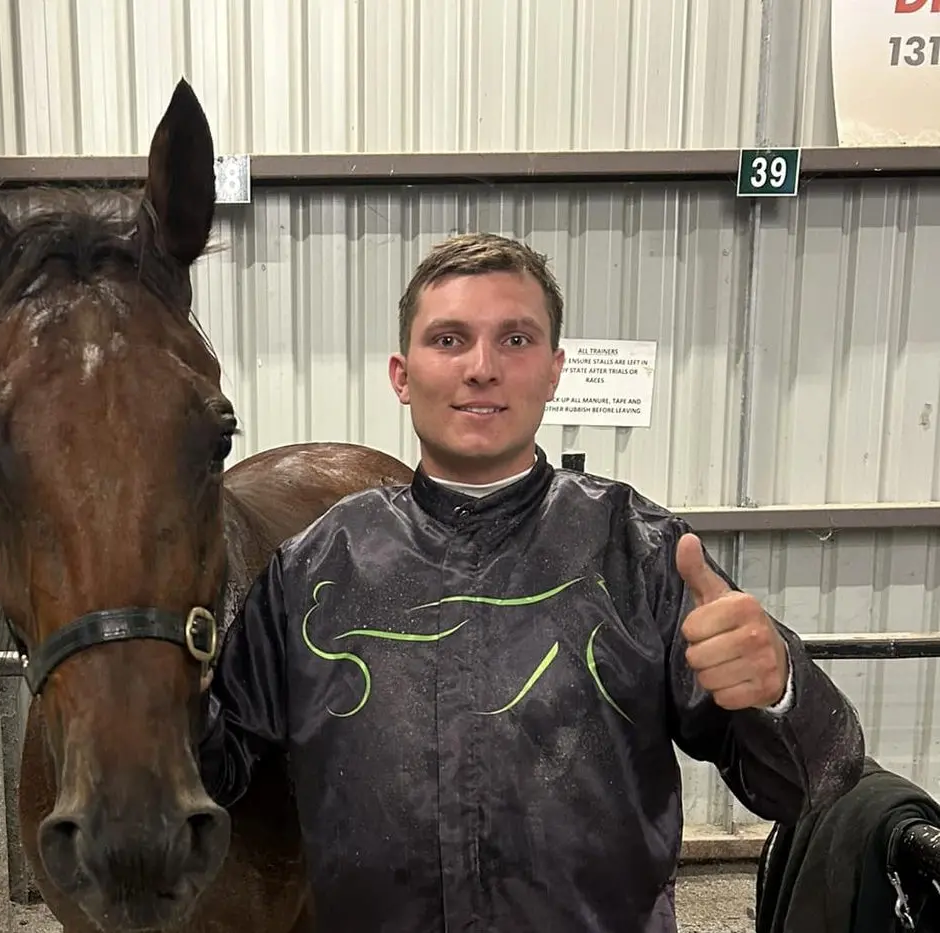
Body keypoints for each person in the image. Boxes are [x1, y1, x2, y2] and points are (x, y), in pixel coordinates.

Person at [196, 232, 867, 932]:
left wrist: (782, 688)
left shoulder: (639, 554)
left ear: (553, 370)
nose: (481, 367)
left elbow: (805, 782)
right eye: (449, 339)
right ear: (401, 373)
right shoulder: (314, 570)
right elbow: (219, 769)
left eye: (514, 340)